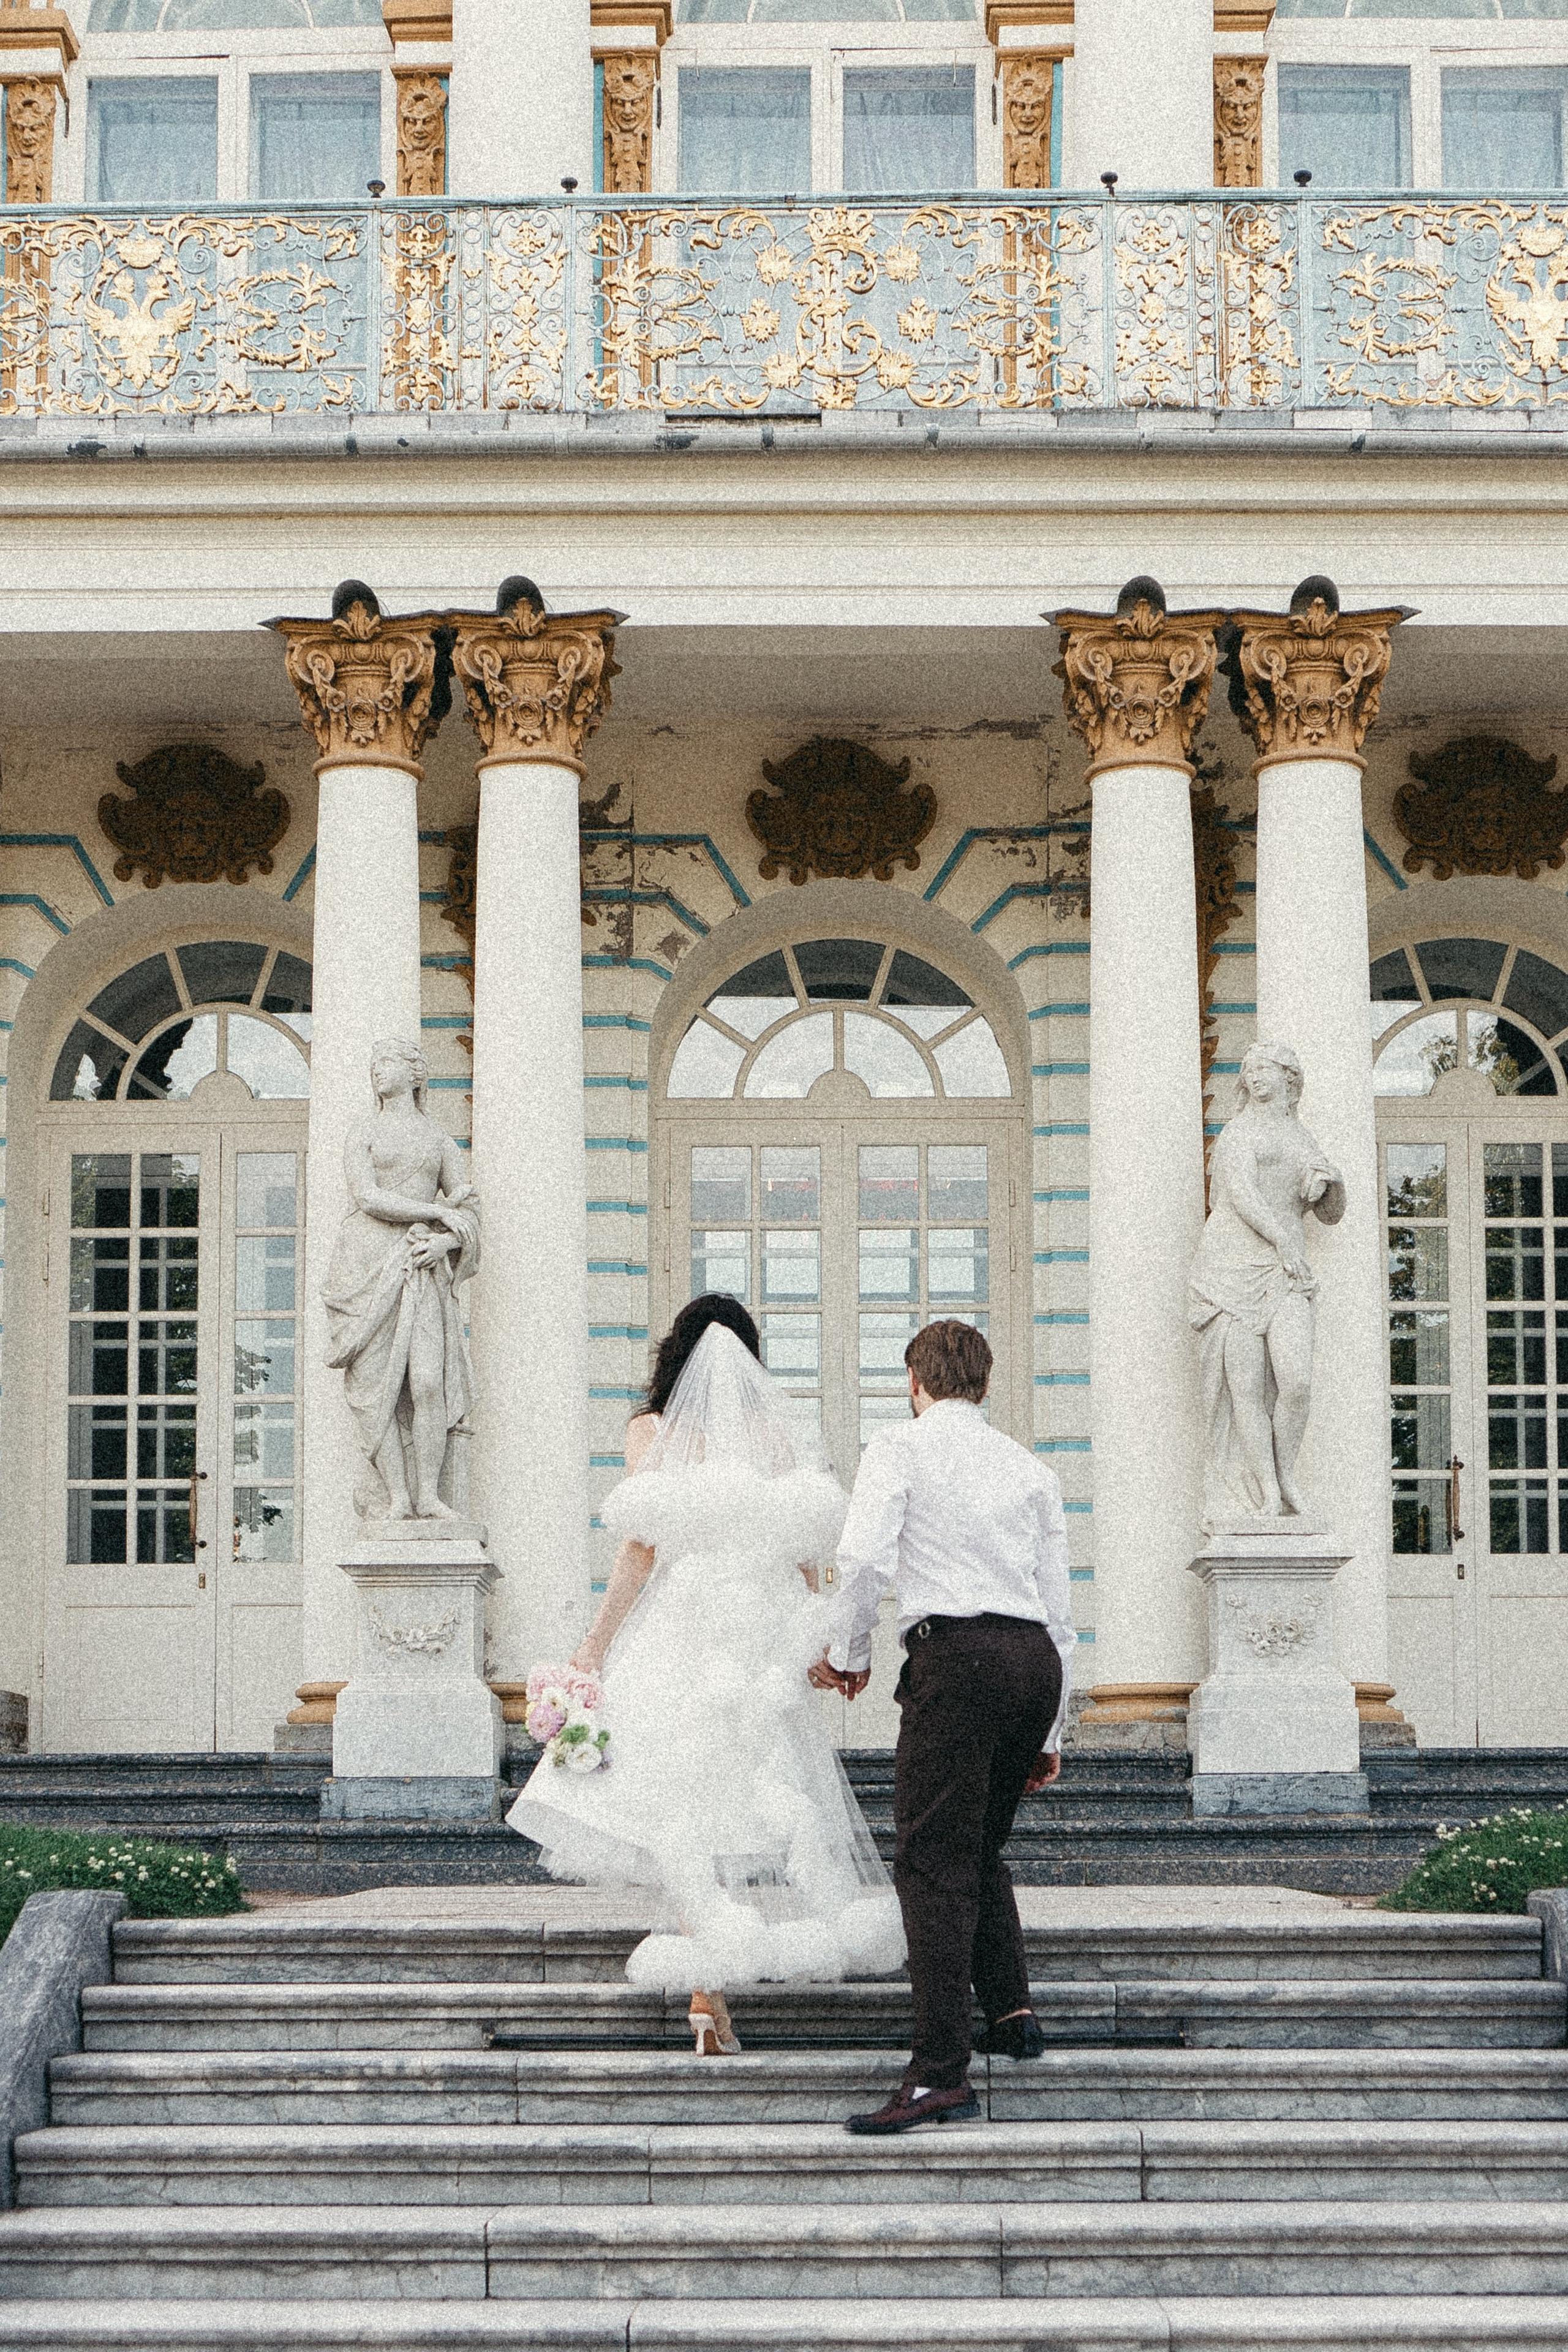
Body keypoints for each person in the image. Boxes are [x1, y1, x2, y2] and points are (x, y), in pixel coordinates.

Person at [505, 1294, 906, 2055]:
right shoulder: (775, 1431)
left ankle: (707, 1982)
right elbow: (804, 1554)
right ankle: (709, 1983)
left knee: (675, 1802)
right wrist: (820, 1641)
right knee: (752, 1793)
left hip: (681, 1629)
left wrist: (593, 1646)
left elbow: (641, 1549)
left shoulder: (651, 1430)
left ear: (674, 1357)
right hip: (754, 1639)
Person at [813, 1317, 1075, 2134]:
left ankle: (937, 2074)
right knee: (978, 1846)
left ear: (915, 1385)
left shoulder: (900, 1448)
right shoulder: (1031, 1470)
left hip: (957, 1659)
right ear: (985, 1386)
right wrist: (1053, 1732)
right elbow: (1062, 1616)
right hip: (1032, 1661)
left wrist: (847, 1650)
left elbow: (863, 1562)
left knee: (930, 1864)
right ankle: (1012, 2013)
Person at [322, 1038, 480, 1523]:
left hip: (420, 1264)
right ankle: (398, 1498)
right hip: (365, 1264)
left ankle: (429, 1495)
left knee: (428, 1381)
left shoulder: (437, 1139)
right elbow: (368, 1197)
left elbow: (470, 1208)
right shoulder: (363, 1133)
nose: (377, 1072)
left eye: (386, 1063)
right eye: (373, 1065)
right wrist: (435, 1212)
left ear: (416, 1075)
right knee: (377, 1389)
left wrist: (444, 1244)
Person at [1189, 1039, 1344, 1529]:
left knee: (1296, 1381)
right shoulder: (1239, 1132)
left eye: (1264, 1069)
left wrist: (1331, 1184)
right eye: (1249, 1070)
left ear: (1289, 1079)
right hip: (1232, 1266)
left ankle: (1286, 1473)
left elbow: (1332, 1215)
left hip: (1285, 1270)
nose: (1254, 1077)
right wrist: (1283, 1238)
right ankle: (1269, 1493)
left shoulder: (1304, 1139)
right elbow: (1241, 1195)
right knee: (1247, 1391)